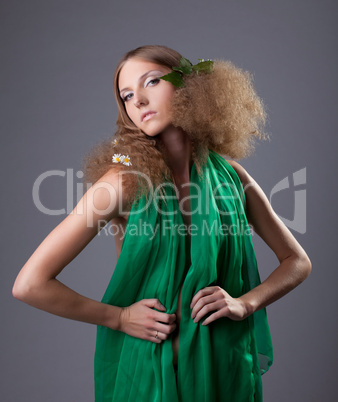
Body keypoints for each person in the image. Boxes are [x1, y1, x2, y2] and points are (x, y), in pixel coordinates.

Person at [12, 45, 312, 401]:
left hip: (226, 372)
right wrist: (119, 318)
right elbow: (29, 285)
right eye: (126, 95)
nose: (137, 100)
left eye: (151, 82)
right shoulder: (123, 182)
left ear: (189, 87)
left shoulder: (232, 176)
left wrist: (245, 304)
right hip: (149, 375)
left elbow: (297, 262)